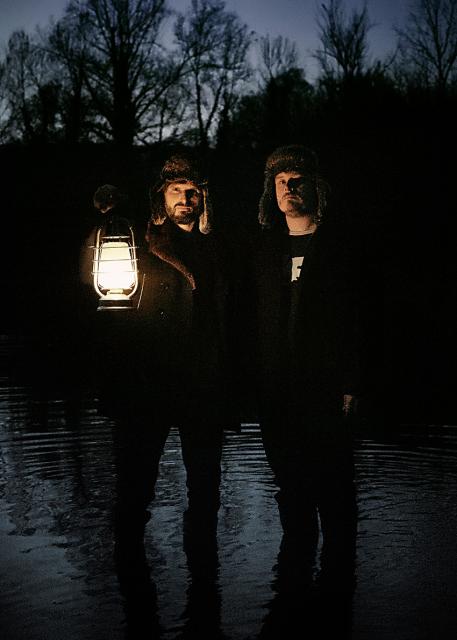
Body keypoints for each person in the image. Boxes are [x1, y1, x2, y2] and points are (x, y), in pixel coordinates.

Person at [87, 153, 232, 581]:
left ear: (204, 198)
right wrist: (107, 215)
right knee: (135, 490)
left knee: (205, 491)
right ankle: (131, 584)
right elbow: (96, 280)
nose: (185, 199)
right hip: (147, 384)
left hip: (203, 385)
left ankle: (203, 585)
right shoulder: (136, 240)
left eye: (193, 191)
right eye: (176, 191)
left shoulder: (221, 247)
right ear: (161, 197)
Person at [253, 144, 360, 596]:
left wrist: (351, 381)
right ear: (271, 191)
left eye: (297, 179)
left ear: (316, 187)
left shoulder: (339, 246)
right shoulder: (265, 248)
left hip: (325, 386)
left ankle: (337, 588)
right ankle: (293, 588)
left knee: (334, 486)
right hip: (277, 389)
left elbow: (361, 317)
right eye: (281, 181)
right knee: (290, 486)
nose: (289, 187)